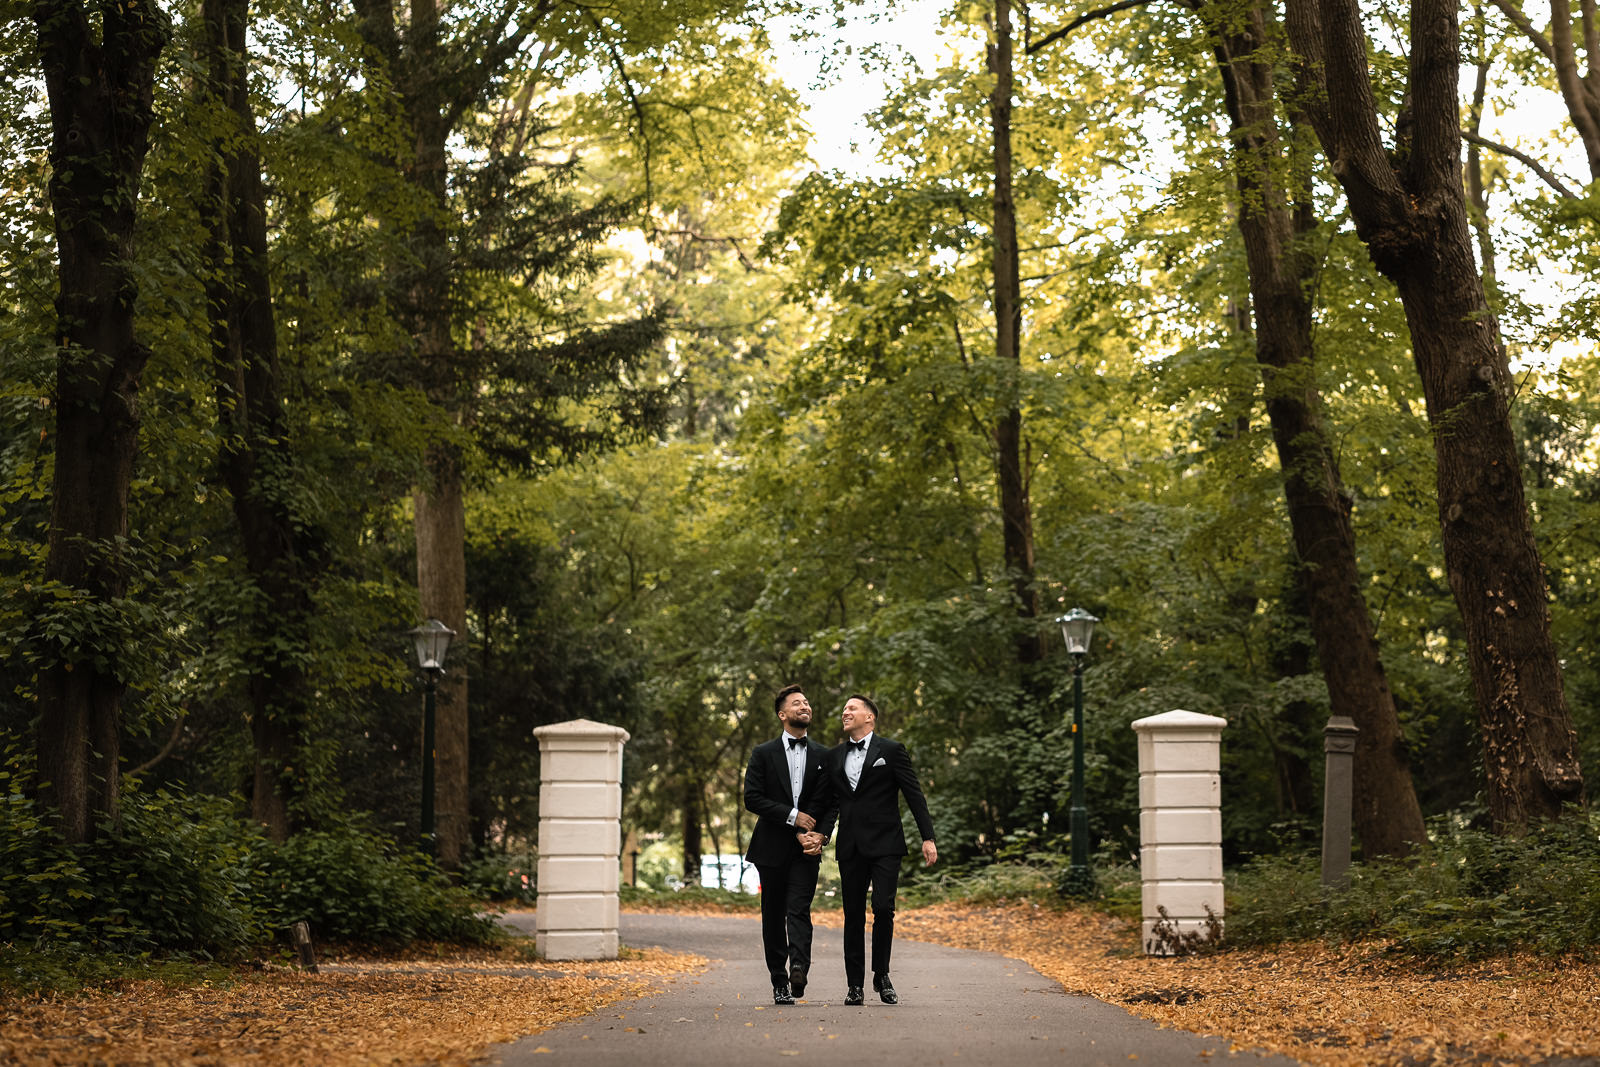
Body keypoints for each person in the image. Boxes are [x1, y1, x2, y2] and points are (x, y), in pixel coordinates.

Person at [821, 693, 936, 1006]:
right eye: (844, 708)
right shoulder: (834, 756)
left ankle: (881, 974)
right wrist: (823, 835)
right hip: (851, 845)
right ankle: (854, 985)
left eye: (852, 708)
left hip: (886, 843)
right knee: (853, 915)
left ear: (869, 717)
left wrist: (928, 836)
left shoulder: (892, 750)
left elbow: (914, 794)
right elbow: (832, 803)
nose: (845, 712)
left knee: (884, 908)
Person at [743, 684, 834, 1005]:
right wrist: (793, 817)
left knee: (799, 910)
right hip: (770, 848)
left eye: (807, 702)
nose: (804, 706)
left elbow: (829, 802)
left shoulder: (824, 755)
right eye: (797, 703)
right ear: (783, 714)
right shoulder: (762, 753)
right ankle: (778, 981)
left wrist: (820, 835)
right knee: (773, 914)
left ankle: (798, 967)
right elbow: (752, 798)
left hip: (806, 850)